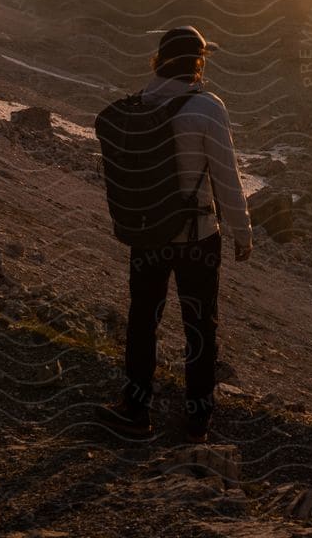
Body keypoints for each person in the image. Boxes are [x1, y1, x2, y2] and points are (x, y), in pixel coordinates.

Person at [96, 25, 252, 441]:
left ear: (159, 61)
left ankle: (135, 408)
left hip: (148, 232)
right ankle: (197, 421)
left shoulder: (143, 102)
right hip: (196, 237)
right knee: (200, 326)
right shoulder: (208, 108)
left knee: (143, 319)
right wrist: (243, 233)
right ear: (197, 63)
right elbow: (227, 180)